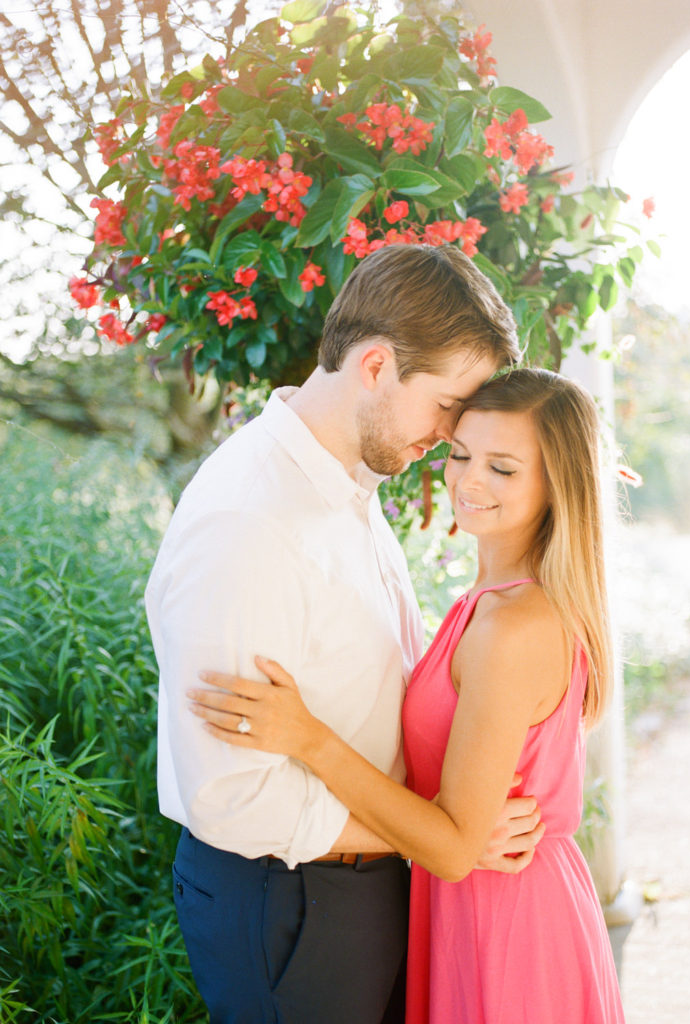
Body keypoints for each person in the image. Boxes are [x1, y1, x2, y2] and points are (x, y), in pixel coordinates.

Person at [145, 244, 545, 1024]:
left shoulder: (348, 484)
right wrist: (440, 837)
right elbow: (234, 798)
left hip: (358, 883)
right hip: (290, 903)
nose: (448, 436)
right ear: (373, 366)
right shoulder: (249, 521)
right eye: (445, 406)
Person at [188, 366, 626, 1023]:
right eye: (461, 454)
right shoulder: (489, 605)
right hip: (476, 905)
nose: (469, 481)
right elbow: (455, 821)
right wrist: (451, 825)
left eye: (503, 468)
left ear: (555, 485)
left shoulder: (514, 627)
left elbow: (451, 848)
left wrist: (310, 739)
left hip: (509, 924)